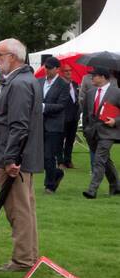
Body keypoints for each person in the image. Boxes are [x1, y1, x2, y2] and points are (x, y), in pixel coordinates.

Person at [0, 39, 43, 272]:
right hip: (21, 158)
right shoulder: (24, 80)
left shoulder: (19, 83)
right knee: (25, 209)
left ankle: (22, 260)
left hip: (14, 160)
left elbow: (19, 126)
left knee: (18, 210)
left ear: (13, 57)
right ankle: (29, 256)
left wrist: (10, 160)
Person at [81, 68, 120, 199]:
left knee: (98, 160)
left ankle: (92, 190)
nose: (91, 78)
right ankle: (116, 186)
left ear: (103, 77)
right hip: (91, 133)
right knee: (105, 160)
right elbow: (86, 113)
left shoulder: (116, 92)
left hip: (108, 133)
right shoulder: (90, 92)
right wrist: (86, 130)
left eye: (94, 76)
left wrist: (115, 120)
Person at [39, 55, 74, 194]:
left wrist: (43, 107)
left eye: (49, 68)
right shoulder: (39, 82)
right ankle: (57, 174)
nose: (46, 70)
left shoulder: (64, 85)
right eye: (45, 67)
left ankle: (50, 185)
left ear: (57, 69)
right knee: (41, 156)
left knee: (49, 155)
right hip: (39, 124)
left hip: (54, 125)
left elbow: (61, 105)